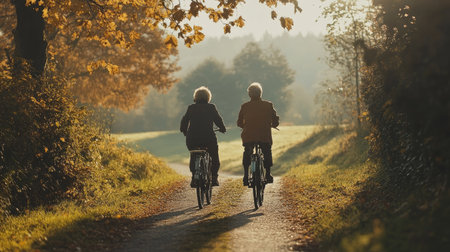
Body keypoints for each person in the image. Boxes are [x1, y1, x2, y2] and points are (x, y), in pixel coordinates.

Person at [180, 86, 226, 187]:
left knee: (194, 155)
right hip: (208, 138)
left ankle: (194, 177)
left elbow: (184, 121)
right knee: (214, 156)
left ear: (195, 97)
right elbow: (218, 120)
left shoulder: (191, 108)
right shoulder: (211, 107)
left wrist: (184, 131)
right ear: (208, 97)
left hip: (193, 139)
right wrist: (222, 128)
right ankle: (214, 178)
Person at [237, 82, 279, 186]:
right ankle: (268, 174)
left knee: (247, 152)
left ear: (249, 94)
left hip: (249, 136)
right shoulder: (268, 105)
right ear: (260, 93)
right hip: (264, 135)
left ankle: (246, 176)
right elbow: (275, 119)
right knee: (267, 151)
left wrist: (246, 127)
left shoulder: (245, 106)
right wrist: (274, 124)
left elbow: (239, 122)